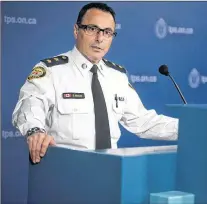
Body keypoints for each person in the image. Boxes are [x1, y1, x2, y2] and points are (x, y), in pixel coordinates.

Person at [12, 2, 178, 164]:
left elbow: (143, 121)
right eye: (92, 29)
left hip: (110, 172)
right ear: (76, 31)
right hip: (65, 170)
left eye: (107, 32)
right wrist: (35, 130)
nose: (100, 39)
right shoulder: (51, 70)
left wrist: (193, 129)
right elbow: (30, 103)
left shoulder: (117, 76)